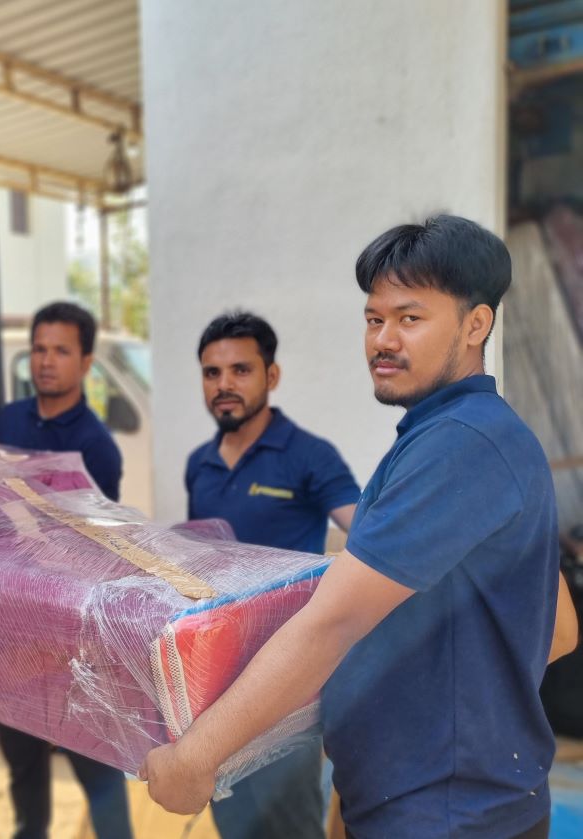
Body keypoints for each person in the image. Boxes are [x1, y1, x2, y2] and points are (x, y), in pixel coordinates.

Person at [140, 215, 580, 839]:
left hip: (445, 816)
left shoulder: (459, 443)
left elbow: (334, 621)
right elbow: (557, 628)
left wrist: (193, 757)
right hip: (436, 800)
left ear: (476, 323)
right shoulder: (469, 435)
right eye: (374, 320)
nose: (383, 340)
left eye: (410, 318)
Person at [186, 311, 360, 839]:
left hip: (289, 682)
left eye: (240, 370)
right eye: (212, 374)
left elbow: (371, 537)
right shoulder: (199, 462)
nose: (224, 386)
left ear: (271, 376)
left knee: (290, 827)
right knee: (233, 821)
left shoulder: (309, 456)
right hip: (214, 684)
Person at [0, 301, 132, 839]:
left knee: (97, 764)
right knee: (23, 765)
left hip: (69, 633)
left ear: (87, 362)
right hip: (8, 623)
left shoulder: (95, 446)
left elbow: (92, 549)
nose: (47, 362)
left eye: (61, 351)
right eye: (40, 350)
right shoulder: (6, 422)